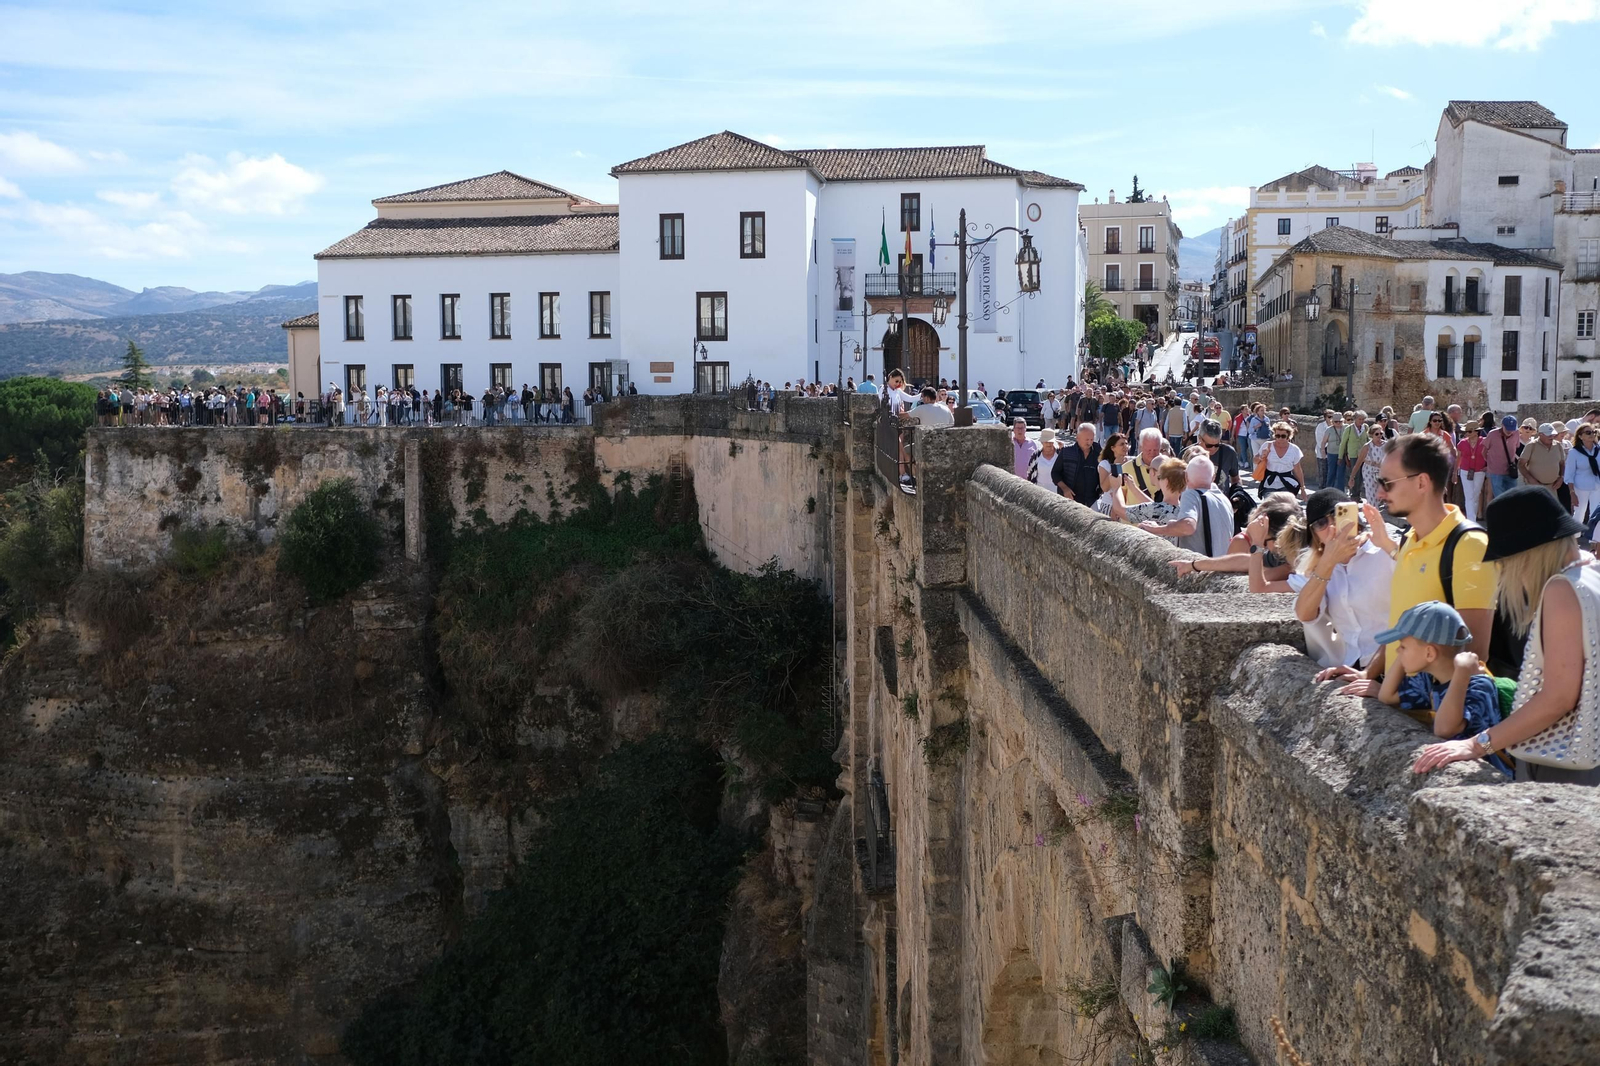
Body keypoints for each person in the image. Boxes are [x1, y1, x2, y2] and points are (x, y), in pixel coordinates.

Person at [1414, 486, 1599, 783]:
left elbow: (1559, 697)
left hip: (1565, 763)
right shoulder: (1591, 573)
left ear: (1524, 555)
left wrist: (1477, 744)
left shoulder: (1561, 590)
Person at [1321, 434, 1495, 687]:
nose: (1379, 492)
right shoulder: (1411, 539)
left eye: (1387, 483)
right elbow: (1402, 628)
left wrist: (1401, 695)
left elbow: (1473, 652)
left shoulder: (1469, 546)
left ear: (1422, 483)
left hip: (1430, 718)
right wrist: (1368, 674)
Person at [1365, 602, 1510, 775]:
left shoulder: (1479, 685)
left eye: (1403, 646)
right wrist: (1406, 656)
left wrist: (1461, 673)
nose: (1397, 650)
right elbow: (1387, 696)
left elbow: (1444, 729)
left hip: (1487, 778)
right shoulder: (1430, 679)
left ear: (1429, 654)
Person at [1278, 489, 1396, 669]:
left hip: (1394, 666)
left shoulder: (1383, 552)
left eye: (1337, 515)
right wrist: (1328, 562)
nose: (1332, 525)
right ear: (1314, 534)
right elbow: (1305, 614)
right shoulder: (1319, 569)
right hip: (1352, 666)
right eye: (1321, 523)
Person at [1138, 454, 1234, 558]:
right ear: (1213, 477)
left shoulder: (1191, 494)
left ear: (1186, 477)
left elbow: (1187, 526)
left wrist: (1156, 529)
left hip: (1200, 569)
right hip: (1222, 567)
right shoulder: (1224, 499)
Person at [1052, 423, 1103, 507]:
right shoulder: (1067, 452)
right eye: (1086, 439)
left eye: (1091, 439)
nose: (1089, 442)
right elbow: (1055, 473)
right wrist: (1065, 489)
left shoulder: (1099, 452)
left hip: (1093, 500)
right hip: (1070, 500)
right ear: (1078, 438)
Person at [1566, 422, 1600, 546]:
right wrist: (1572, 492)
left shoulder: (1598, 450)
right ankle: (1573, 543)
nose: (1592, 435)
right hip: (1581, 487)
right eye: (1588, 432)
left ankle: (1594, 543)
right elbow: (1569, 474)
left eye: (1593, 432)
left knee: (1596, 514)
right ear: (1580, 436)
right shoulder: (1574, 453)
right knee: (1579, 513)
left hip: (1597, 486)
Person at [1257, 421, 1308, 498]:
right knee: (1270, 508)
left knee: (1285, 507)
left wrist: (1303, 488)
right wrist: (1262, 457)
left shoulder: (1294, 449)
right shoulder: (1267, 445)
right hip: (1269, 483)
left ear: (1288, 436)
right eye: (1277, 436)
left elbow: (1298, 470)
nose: (1280, 438)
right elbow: (1255, 460)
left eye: (1283, 436)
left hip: (1287, 484)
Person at [1195, 419, 1238, 494]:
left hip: (1221, 502)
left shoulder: (1229, 452)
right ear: (1200, 438)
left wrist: (1238, 492)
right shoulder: (1188, 454)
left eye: (1217, 445)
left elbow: (1235, 479)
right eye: (1209, 445)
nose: (1213, 448)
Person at [1456, 422, 1488, 522]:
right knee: (1469, 495)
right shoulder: (1462, 443)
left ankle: (1471, 519)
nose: (1467, 433)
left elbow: (1491, 454)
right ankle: (1471, 521)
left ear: (1476, 431)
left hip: (1479, 471)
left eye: (1469, 431)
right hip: (1465, 471)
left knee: (1476, 494)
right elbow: (1458, 458)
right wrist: (1455, 472)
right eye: (1466, 431)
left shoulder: (1484, 442)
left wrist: (1488, 466)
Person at [1350, 421, 1388, 504]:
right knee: (1371, 496)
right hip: (1369, 472)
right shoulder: (1367, 447)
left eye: (1381, 433)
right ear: (1371, 435)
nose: (1379, 436)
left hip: (1381, 472)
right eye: (1376, 434)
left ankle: (1373, 513)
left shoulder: (1386, 445)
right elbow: (1358, 463)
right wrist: (1352, 477)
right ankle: (1372, 514)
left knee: (1379, 497)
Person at [1093, 432, 1130, 514]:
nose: (1125, 447)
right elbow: (1105, 488)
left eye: (1126, 444)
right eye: (1121, 444)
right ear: (1113, 448)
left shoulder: (1131, 462)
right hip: (1109, 505)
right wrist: (1115, 467)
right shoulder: (1105, 464)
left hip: (1127, 506)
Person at [1031, 428, 1064, 493]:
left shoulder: (1060, 454)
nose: (1048, 444)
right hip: (1039, 491)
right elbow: (1030, 473)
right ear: (1042, 442)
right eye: (1046, 442)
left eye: (1050, 442)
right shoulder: (1036, 455)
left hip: (1057, 492)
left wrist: (1063, 449)